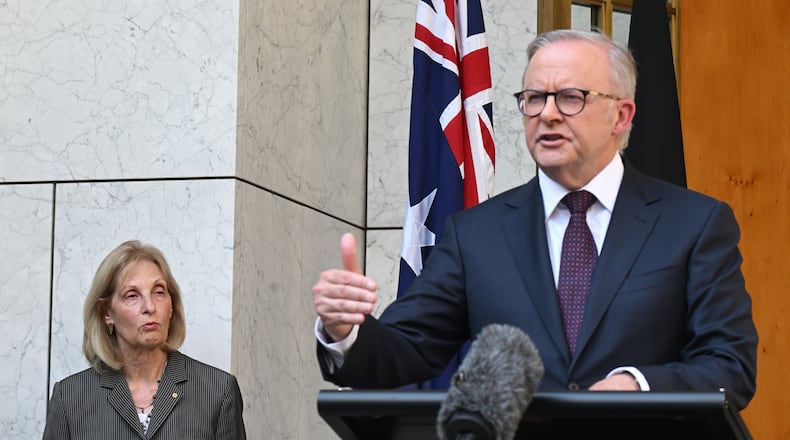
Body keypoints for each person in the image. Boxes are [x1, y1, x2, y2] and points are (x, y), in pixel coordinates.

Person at [311, 29, 758, 410]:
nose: (546, 114)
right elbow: (405, 350)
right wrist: (344, 329)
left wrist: (635, 385)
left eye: (570, 98)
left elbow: (730, 366)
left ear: (620, 115)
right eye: (534, 98)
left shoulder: (694, 224)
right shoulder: (477, 234)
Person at [43, 240, 246, 439]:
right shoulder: (69, 398)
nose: (150, 306)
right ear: (106, 312)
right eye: (132, 295)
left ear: (171, 305)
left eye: (159, 292)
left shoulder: (218, 391)